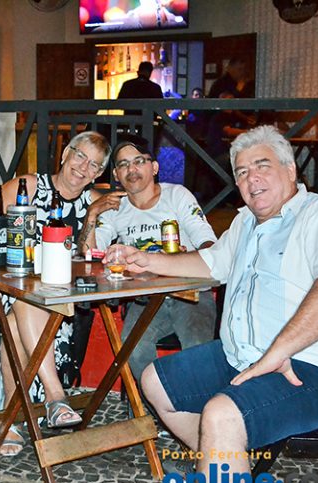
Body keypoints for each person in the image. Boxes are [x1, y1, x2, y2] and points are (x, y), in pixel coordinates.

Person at [107, 125, 318, 483]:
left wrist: (279, 350)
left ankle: (222, 469)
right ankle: (227, 469)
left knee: (221, 414)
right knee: (154, 381)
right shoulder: (245, 222)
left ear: (290, 170)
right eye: (243, 172)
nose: (252, 179)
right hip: (246, 357)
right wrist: (145, 259)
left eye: (262, 166)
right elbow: (209, 263)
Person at [0, 131, 112, 456]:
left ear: (98, 174)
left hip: (54, 302)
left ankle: (10, 417)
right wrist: (0, 274)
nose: (84, 167)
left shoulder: (93, 203)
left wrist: (92, 216)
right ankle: (56, 397)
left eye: (94, 165)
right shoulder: (29, 185)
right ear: (65, 154)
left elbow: (91, 258)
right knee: (23, 297)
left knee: (19, 317)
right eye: (80, 156)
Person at [78, 138, 217, 382]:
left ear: (154, 167)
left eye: (139, 161)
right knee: (133, 347)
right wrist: (92, 213)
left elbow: (209, 244)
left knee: (197, 347)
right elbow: (89, 254)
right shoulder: (115, 208)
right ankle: (153, 402)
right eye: (123, 164)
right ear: (116, 175)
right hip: (146, 298)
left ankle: (194, 403)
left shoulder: (177, 196)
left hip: (191, 293)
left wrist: (185, 259)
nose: (131, 169)